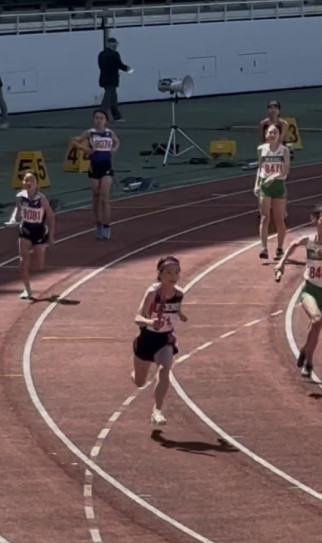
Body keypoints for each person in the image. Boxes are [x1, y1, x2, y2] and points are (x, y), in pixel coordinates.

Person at [273, 203, 322, 378]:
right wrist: (281, 264)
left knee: (316, 329)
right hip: (310, 290)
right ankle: (309, 363)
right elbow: (293, 245)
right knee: (316, 318)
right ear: (315, 221)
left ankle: (306, 353)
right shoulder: (309, 240)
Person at [131, 256, 188, 426]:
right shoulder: (153, 293)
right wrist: (150, 323)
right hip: (147, 338)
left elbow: (175, 308)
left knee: (164, 370)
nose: (173, 276)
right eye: (169, 272)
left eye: (176, 272)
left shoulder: (179, 293)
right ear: (160, 274)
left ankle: (157, 410)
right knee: (140, 382)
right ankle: (135, 375)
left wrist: (180, 315)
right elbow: (137, 318)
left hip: (165, 338)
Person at [7, 170, 56, 299]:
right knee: (23, 262)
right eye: (26, 180)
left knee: (39, 265)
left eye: (31, 180)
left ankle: (40, 249)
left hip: (39, 231)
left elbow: (50, 216)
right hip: (25, 230)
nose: (28, 182)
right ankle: (27, 289)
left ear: (36, 183)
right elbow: (17, 208)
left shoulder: (42, 199)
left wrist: (51, 235)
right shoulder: (20, 197)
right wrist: (13, 218)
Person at [73, 109, 120, 240]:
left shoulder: (110, 133)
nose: (98, 120)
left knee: (105, 197)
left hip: (106, 168)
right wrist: (86, 149)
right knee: (96, 196)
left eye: (101, 118)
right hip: (94, 168)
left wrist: (113, 149)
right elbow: (75, 142)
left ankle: (107, 226)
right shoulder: (89, 133)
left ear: (106, 121)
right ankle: (98, 224)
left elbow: (117, 142)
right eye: (96, 118)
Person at [253, 123, 290, 261]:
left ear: (279, 135)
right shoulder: (261, 149)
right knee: (264, 217)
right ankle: (263, 247)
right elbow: (260, 167)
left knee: (279, 219)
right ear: (265, 135)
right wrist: (257, 184)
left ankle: (280, 248)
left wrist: (273, 177)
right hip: (264, 186)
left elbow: (286, 170)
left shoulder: (284, 150)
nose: (272, 135)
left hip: (278, 185)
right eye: (270, 132)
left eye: (275, 133)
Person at [98, 37, 130, 123]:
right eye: (115, 44)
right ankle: (101, 115)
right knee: (108, 98)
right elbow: (119, 65)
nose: (116, 45)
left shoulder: (101, 54)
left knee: (113, 98)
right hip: (112, 79)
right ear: (112, 44)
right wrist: (128, 69)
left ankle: (117, 116)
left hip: (103, 78)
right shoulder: (115, 54)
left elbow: (101, 66)